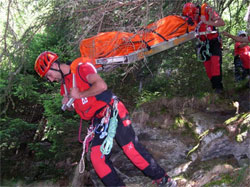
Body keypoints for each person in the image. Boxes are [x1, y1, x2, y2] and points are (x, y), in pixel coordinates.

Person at [34, 51, 177, 187]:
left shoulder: (80, 69)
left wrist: (79, 94)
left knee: (130, 148)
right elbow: (79, 104)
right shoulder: (64, 87)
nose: (51, 79)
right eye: (48, 78)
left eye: (49, 75)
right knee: (97, 158)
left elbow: (101, 86)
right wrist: (68, 105)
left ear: (54, 65)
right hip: (98, 121)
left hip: (112, 110)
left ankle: (163, 179)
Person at [183, 3, 225, 93]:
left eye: (194, 15)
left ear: (196, 11)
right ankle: (215, 87)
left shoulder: (207, 11)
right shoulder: (190, 20)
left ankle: (218, 88)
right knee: (208, 68)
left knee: (215, 63)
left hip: (213, 41)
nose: (193, 17)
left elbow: (222, 23)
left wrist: (206, 22)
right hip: (203, 44)